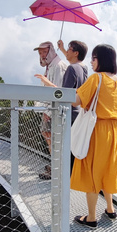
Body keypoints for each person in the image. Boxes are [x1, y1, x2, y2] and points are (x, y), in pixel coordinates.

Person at [71, 44, 117, 229]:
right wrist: (115, 131)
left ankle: (91, 218)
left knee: (93, 171)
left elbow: (76, 101)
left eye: (94, 58)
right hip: (115, 132)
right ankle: (110, 209)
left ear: (101, 59)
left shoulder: (96, 78)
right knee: (108, 169)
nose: (91, 61)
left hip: (96, 130)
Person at [34, 40, 90, 180]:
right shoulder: (83, 68)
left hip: (65, 112)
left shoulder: (70, 68)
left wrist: (48, 83)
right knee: (65, 144)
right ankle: (60, 169)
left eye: (70, 49)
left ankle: (58, 171)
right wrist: (63, 48)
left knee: (58, 142)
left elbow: (63, 94)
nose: (67, 52)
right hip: (77, 111)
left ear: (76, 53)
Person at [33, 42, 69, 177]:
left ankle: (57, 169)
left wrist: (48, 112)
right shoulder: (51, 66)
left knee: (53, 138)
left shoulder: (58, 66)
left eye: (44, 52)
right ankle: (55, 166)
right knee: (48, 135)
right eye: (40, 53)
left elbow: (57, 90)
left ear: (51, 51)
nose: (42, 56)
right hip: (50, 109)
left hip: (54, 110)